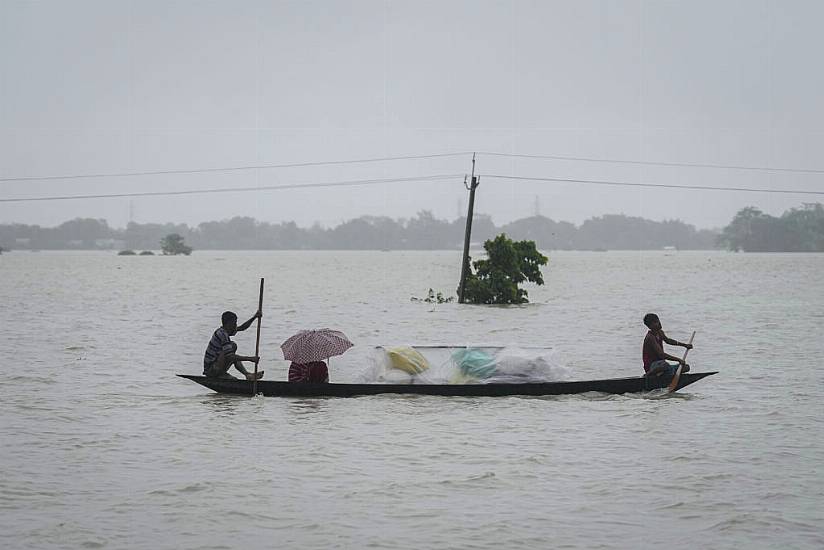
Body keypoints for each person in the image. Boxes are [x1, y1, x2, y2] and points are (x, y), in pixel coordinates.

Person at [203, 310, 263, 380]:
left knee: (232, 348)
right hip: (211, 369)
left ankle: (247, 374)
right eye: (234, 323)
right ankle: (219, 374)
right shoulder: (222, 334)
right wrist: (250, 359)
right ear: (228, 324)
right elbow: (230, 356)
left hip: (217, 366)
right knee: (232, 348)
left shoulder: (226, 331)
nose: (236, 325)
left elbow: (242, 328)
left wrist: (254, 317)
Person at [642, 313, 693, 377]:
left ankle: (664, 374)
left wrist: (685, 345)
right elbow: (662, 354)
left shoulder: (660, 332)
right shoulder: (650, 337)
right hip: (652, 365)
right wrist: (678, 360)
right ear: (650, 326)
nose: (659, 323)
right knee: (664, 365)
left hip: (661, 364)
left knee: (686, 367)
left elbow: (668, 341)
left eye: (658, 321)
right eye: (656, 322)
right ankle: (649, 374)